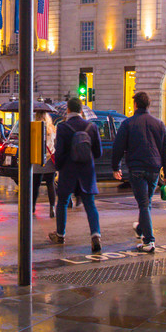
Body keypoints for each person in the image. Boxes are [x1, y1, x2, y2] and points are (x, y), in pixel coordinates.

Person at [112, 91, 166, 253]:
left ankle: (149, 240)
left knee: (144, 204)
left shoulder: (128, 124)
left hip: (136, 168)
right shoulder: (158, 124)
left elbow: (118, 147)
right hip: (153, 169)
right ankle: (140, 229)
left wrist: (115, 167)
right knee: (147, 202)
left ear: (135, 105)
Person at [48, 98, 102, 252]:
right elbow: (98, 152)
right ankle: (95, 235)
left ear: (68, 110)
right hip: (87, 172)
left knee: (63, 202)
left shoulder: (63, 127)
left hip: (68, 172)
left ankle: (60, 234)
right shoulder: (91, 127)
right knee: (90, 204)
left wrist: (59, 167)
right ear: (81, 110)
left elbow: (60, 153)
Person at [32, 110, 57, 218]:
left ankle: (32, 206)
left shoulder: (33, 127)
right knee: (50, 184)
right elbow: (54, 143)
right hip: (50, 159)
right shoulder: (52, 128)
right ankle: (52, 208)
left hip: (37, 159)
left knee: (35, 185)